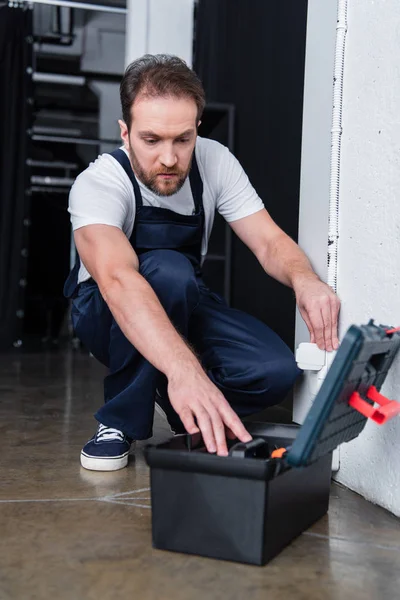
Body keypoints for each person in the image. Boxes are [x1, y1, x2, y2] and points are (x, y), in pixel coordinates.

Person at [65, 54, 340, 472]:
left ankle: (188, 412)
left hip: (185, 297)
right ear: (125, 133)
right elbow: (118, 279)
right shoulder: (99, 183)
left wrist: (305, 279)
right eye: (152, 140)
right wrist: (183, 369)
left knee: (275, 370)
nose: (170, 158)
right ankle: (118, 421)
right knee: (167, 272)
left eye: (182, 139)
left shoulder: (215, 161)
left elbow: (268, 241)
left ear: (197, 129)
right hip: (105, 308)